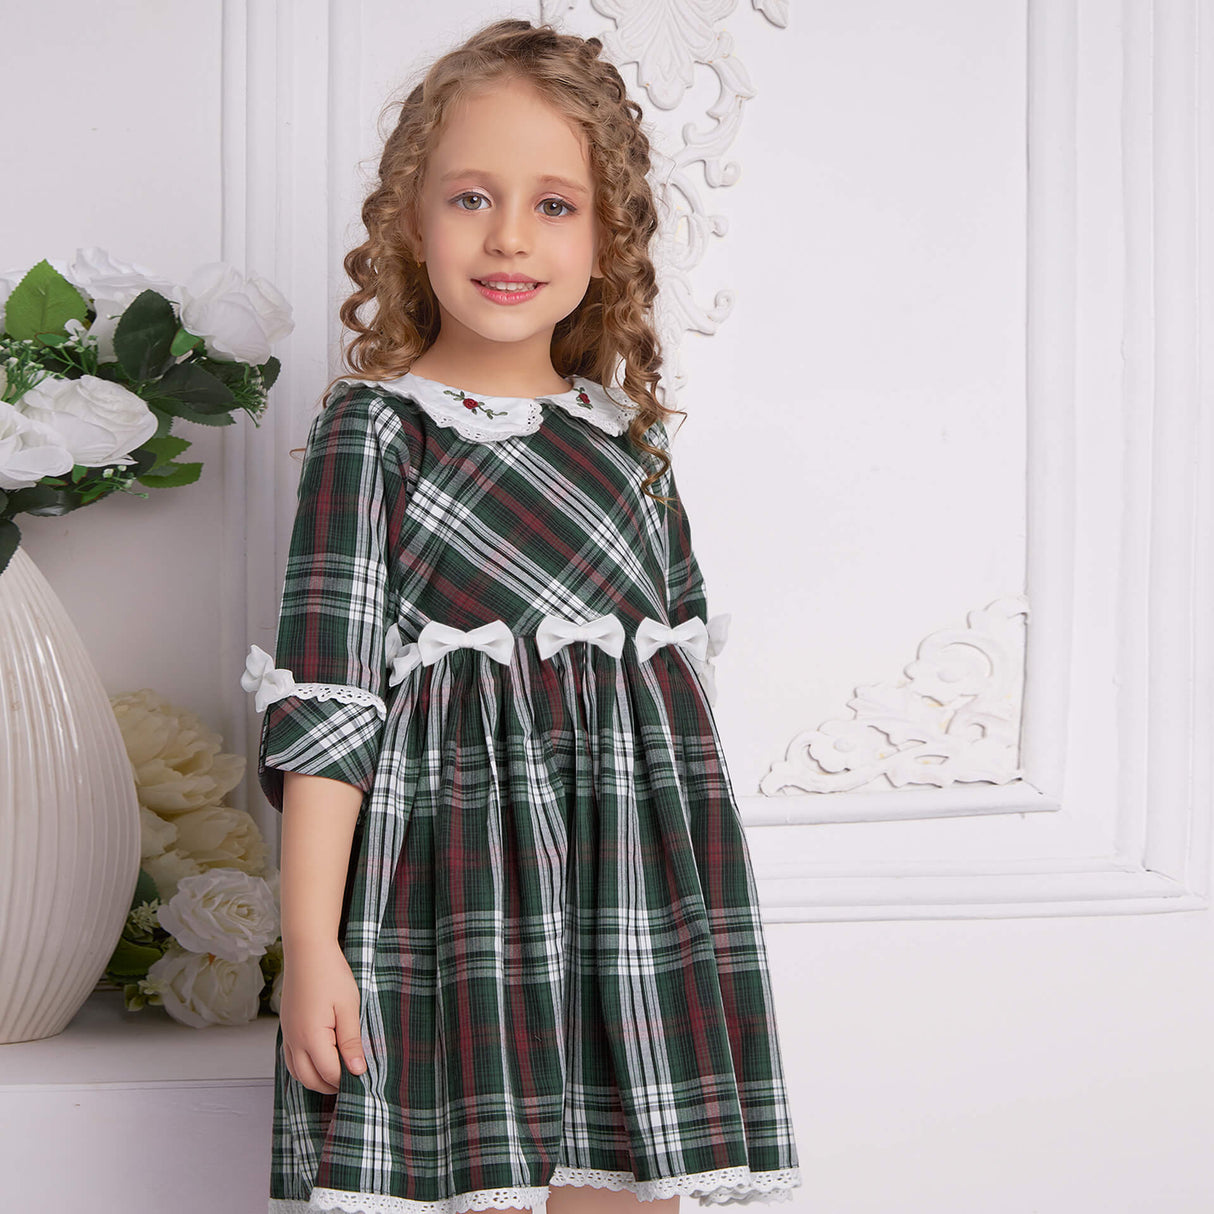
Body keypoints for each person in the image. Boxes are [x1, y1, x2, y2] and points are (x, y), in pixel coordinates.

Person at [240, 18, 802, 1214]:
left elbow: (674, 727)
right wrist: (312, 945)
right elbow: (328, 708)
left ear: (606, 240)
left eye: (553, 205)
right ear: (410, 221)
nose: (507, 236)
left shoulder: (629, 444)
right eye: (469, 197)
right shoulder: (377, 429)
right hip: (455, 916)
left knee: (630, 1191)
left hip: (627, 915)